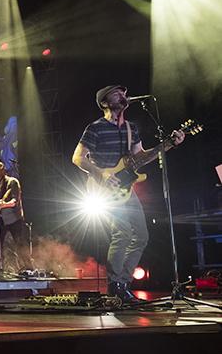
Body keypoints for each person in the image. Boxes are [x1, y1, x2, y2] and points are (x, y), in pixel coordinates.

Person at [72, 84, 185, 302]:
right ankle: (115, 285)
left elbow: (140, 157)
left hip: (126, 189)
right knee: (122, 233)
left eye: (123, 92)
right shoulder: (95, 128)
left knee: (141, 236)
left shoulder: (131, 128)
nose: (122, 95)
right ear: (105, 102)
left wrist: (170, 144)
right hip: (103, 189)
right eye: (116, 93)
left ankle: (121, 282)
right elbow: (78, 158)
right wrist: (102, 173)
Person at [0, 159, 29, 274]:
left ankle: (26, 269)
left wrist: (4, 204)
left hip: (14, 219)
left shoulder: (12, 182)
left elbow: (15, 201)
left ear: (4, 169)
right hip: (0, 220)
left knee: (20, 244)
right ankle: (0, 269)